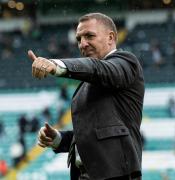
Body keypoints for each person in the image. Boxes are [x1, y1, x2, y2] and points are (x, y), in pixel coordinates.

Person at [28, 13, 145, 180]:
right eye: (78, 39)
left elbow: (99, 69)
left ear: (110, 37)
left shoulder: (126, 62)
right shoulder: (85, 84)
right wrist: (58, 139)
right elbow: (92, 136)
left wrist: (57, 65)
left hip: (116, 174)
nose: (82, 44)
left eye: (89, 36)